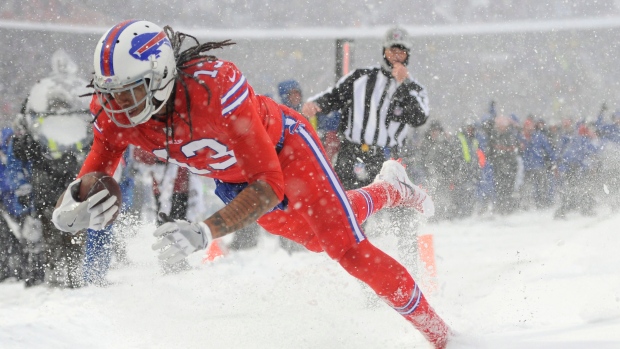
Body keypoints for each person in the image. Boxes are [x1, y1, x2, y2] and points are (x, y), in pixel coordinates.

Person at [50, 21, 450, 348]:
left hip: (285, 152)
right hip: (233, 181)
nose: (118, 106)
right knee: (317, 237)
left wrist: (205, 230)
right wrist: (69, 205)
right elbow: (93, 174)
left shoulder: (213, 87)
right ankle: (391, 188)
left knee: (345, 247)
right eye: (111, 94)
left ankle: (441, 335)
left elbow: (270, 184)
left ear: (162, 77)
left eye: (130, 92)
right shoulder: (113, 111)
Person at [302, 26, 429, 190]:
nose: (396, 57)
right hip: (352, 155)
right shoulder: (360, 77)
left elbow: (419, 118)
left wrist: (404, 84)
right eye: (393, 51)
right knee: (348, 207)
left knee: (389, 210)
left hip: (388, 159)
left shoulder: (414, 89)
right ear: (384, 51)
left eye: (401, 52)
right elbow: (334, 96)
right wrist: (316, 104)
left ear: (408, 55)